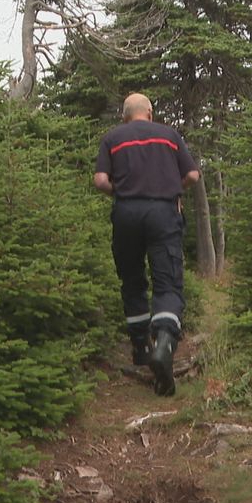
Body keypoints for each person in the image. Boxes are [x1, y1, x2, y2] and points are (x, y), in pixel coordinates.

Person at [94, 93, 200, 396]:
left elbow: (101, 180)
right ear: (149, 113)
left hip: (126, 213)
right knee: (167, 283)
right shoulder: (169, 136)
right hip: (163, 212)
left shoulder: (113, 137)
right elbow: (192, 174)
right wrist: (172, 188)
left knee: (132, 278)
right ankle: (164, 345)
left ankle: (141, 348)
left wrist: (123, 190)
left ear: (125, 115)